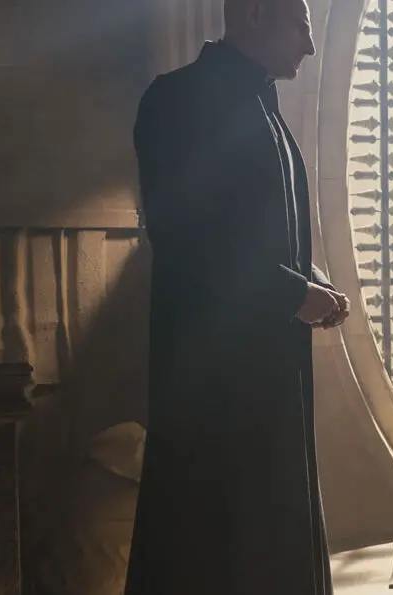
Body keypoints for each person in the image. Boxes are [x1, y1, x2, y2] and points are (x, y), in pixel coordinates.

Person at [125, 0, 347, 593]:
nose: (309, 46)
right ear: (253, 15)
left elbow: (254, 230)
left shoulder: (260, 104)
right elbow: (186, 238)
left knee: (271, 523)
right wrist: (292, 291)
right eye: (300, 27)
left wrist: (311, 281)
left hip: (267, 364)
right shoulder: (179, 101)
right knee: (214, 536)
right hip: (213, 377)